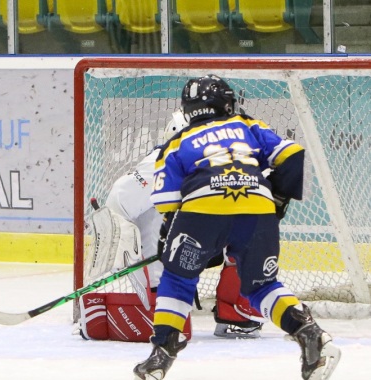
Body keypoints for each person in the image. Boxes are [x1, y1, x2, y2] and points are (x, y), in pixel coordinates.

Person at [131, 74, 341, 380]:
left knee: (177, 278)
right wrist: (278, 201)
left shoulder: (176, 142)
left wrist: (178, 240)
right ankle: (308, 332)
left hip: (201, 210)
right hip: (257, 205)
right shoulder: (248, 126)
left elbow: (166, 201)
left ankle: (162, 352)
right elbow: (292, 154)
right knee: (261, 285)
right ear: (226, 103)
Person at [104, 110, 263, 339]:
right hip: (159, 272)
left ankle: (235, 315)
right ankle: (226, 309)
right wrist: (121, 249)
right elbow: (118, 203)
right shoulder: (161, 161)